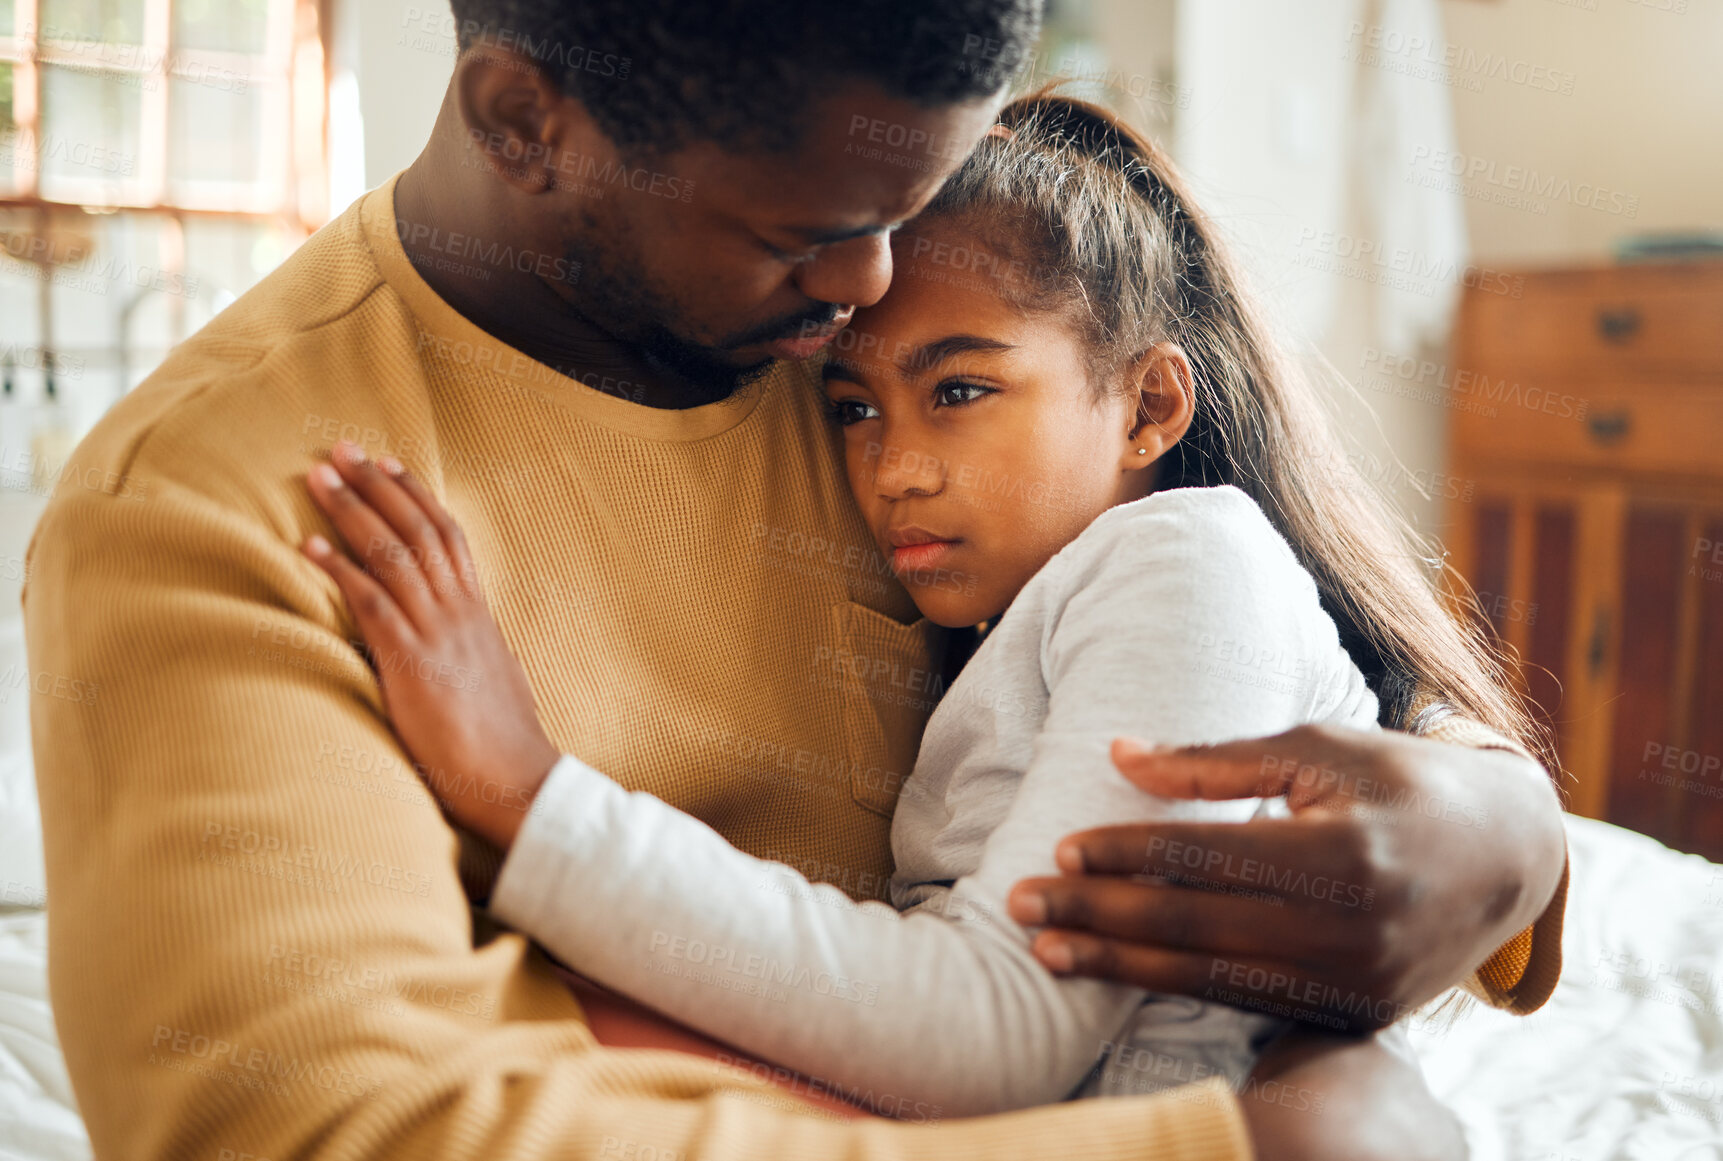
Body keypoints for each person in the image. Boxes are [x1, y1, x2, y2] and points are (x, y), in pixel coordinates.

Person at [21, 3, 1566, 1160]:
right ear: (519, 120)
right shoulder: (208, 514)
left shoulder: (900, 298)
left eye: (906, 211)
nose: (868, 292)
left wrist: (1506, 825)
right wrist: (1251, 1142)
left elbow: (1266, 627)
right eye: (809, 237)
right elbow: (347, 1130)